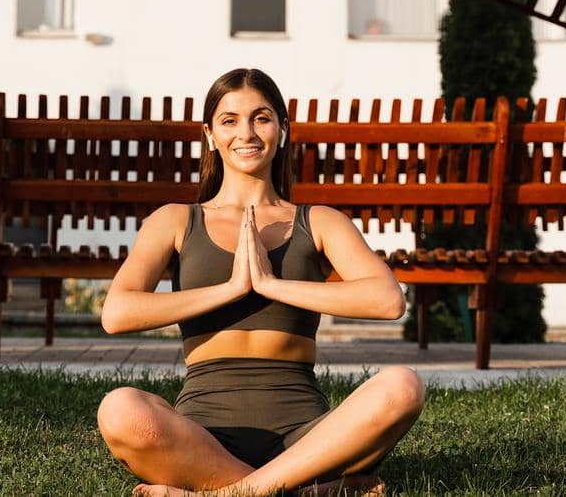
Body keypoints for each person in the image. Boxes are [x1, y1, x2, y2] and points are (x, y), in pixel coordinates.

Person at [97, 67, 425, 496]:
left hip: (309, 438)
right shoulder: (176, 220)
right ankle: (303, 491)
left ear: (283, 131)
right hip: (204, 435)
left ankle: (232, 493)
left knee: (403, 386)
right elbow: (116, 314)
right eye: (229, 120)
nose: (246, 133)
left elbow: (387, 300)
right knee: (120, 408)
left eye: (261, 117)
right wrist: (230, 289)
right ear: (210, 135)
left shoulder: (320, 221)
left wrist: (271, 285)